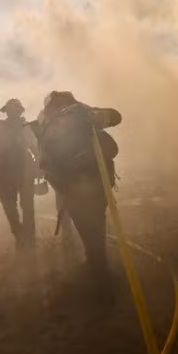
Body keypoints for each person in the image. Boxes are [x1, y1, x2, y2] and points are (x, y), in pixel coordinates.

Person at [33, 91, 121, 283]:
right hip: (90, 185)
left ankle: (98, 267)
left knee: (89, 226)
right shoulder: (75, 115)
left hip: (79, 188)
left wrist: (97, 116)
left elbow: (114, 117)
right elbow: (115, 117)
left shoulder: (78, 114)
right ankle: (98, 263)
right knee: (94, 224)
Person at [0, 98, 40, 250]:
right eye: (12, 110)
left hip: (21, 174)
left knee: (22, 208)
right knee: (15, 209)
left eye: (16, 110)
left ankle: (26, 239)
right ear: (8, 112)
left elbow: (35, 148)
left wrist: (38, 165)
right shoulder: (1, 129)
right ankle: (23, 237)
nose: (15, 113)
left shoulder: (23, 128)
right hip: (10, 175)